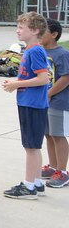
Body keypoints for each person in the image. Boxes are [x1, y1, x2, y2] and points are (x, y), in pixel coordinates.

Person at [1, 12, 50, 199]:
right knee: (33, 146)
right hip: (30, 102)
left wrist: (17, 84)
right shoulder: (30, 50)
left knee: (31, 147)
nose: (17, 30)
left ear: (35, 30)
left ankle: (29, 187)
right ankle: (36, 182)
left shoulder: (35, 50)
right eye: (18, 26)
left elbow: (43, 79)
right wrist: (16, 83)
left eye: (22, 27)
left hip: (33, 104)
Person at [41, 19, 69, 188]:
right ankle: (52, 167)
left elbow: (66, 78)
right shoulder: (41, 52)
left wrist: (50, 93)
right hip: (44, 101)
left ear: (54, 35)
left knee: (58, 135)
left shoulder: (62, 54)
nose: (39, 35)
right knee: (48, 134)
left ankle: (63, 171)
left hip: (58, 101)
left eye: (43, 32)